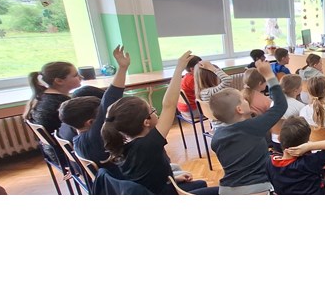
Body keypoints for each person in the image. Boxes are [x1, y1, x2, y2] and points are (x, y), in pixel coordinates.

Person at [102, 51, 215, 195]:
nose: (156, 113)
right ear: (146, 122)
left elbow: (145, 177)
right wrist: (179, 68)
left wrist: (172, 179)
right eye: (152, 111)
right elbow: (169, 105)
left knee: (201, 184)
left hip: (156, 188)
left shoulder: (123, 146)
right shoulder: (147, 145)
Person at [209, 59, 287, 195]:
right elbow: (280, 105)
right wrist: (269, 75)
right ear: (239, 109)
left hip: (226, 190)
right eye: (243, 100)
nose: (246, 100)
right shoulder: (253, 127)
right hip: (257, 189)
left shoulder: (217, 136)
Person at [58, 45, 130, 173]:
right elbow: (109, 99)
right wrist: (122, 68)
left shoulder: (77, 140)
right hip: (122, 181)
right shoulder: (95, 137)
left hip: (106, 180)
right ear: (90, 122)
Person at [266, 116, 325, 195]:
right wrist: (310, 146)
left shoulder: (269, 163)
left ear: (279, 138)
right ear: (306, 142)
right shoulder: (310, 162)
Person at [194, 60, 232, 129]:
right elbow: (227, 80)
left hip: (216, 126)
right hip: (225, 126)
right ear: (213, 77)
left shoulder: (202, 92)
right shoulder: (209, 92)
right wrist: (212, 68)